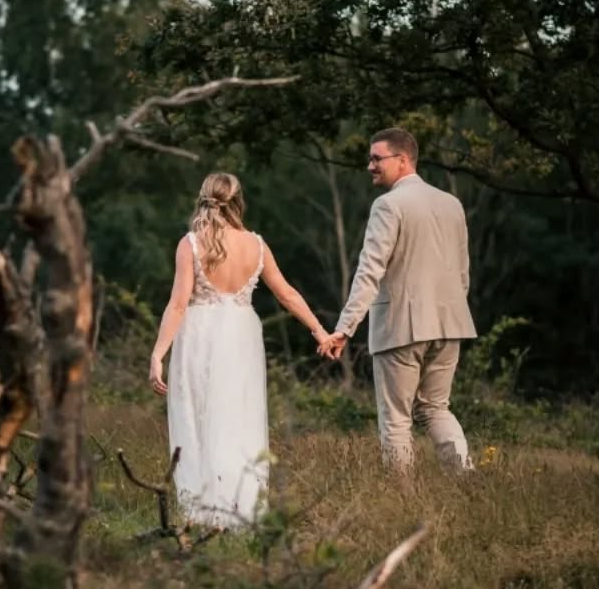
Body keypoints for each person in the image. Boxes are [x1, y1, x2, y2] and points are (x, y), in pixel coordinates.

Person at [149, 172, 332, 528]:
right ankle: (241, 509)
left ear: (204, 199)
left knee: (198, 416)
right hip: (241, 336)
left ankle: (202, 511)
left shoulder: (191, 243)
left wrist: (158, 353)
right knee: (238, 417)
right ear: (238, 201)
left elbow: (177, 305)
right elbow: (287, 294)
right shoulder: (257, 245)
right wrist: (320, 331)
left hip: (201, 335)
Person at [320, 128, 476, 471]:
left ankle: (401, 498)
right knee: (436, 408)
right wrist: (449, 312)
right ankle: (466, 477)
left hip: (402, 327)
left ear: (402, 160)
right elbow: (463, 272)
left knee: (396, 419)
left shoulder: (388, 205)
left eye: (377, 158)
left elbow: (369, 271)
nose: (370, 166)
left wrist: (345, 328)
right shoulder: (451, 204)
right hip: (450, 323)